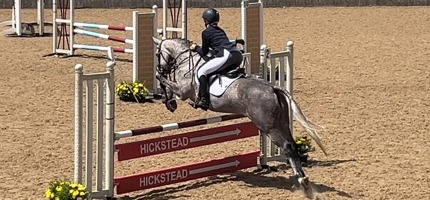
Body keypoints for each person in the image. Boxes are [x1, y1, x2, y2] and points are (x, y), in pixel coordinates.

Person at [190, 7, 244, 111]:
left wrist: (196, 48)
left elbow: (204, 52)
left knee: (201, 71)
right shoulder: (220, 30)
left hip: (227, 55)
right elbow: (218, 47)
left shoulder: (206, 33)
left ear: (206, 20)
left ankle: (204, 101)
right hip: (237, 55)